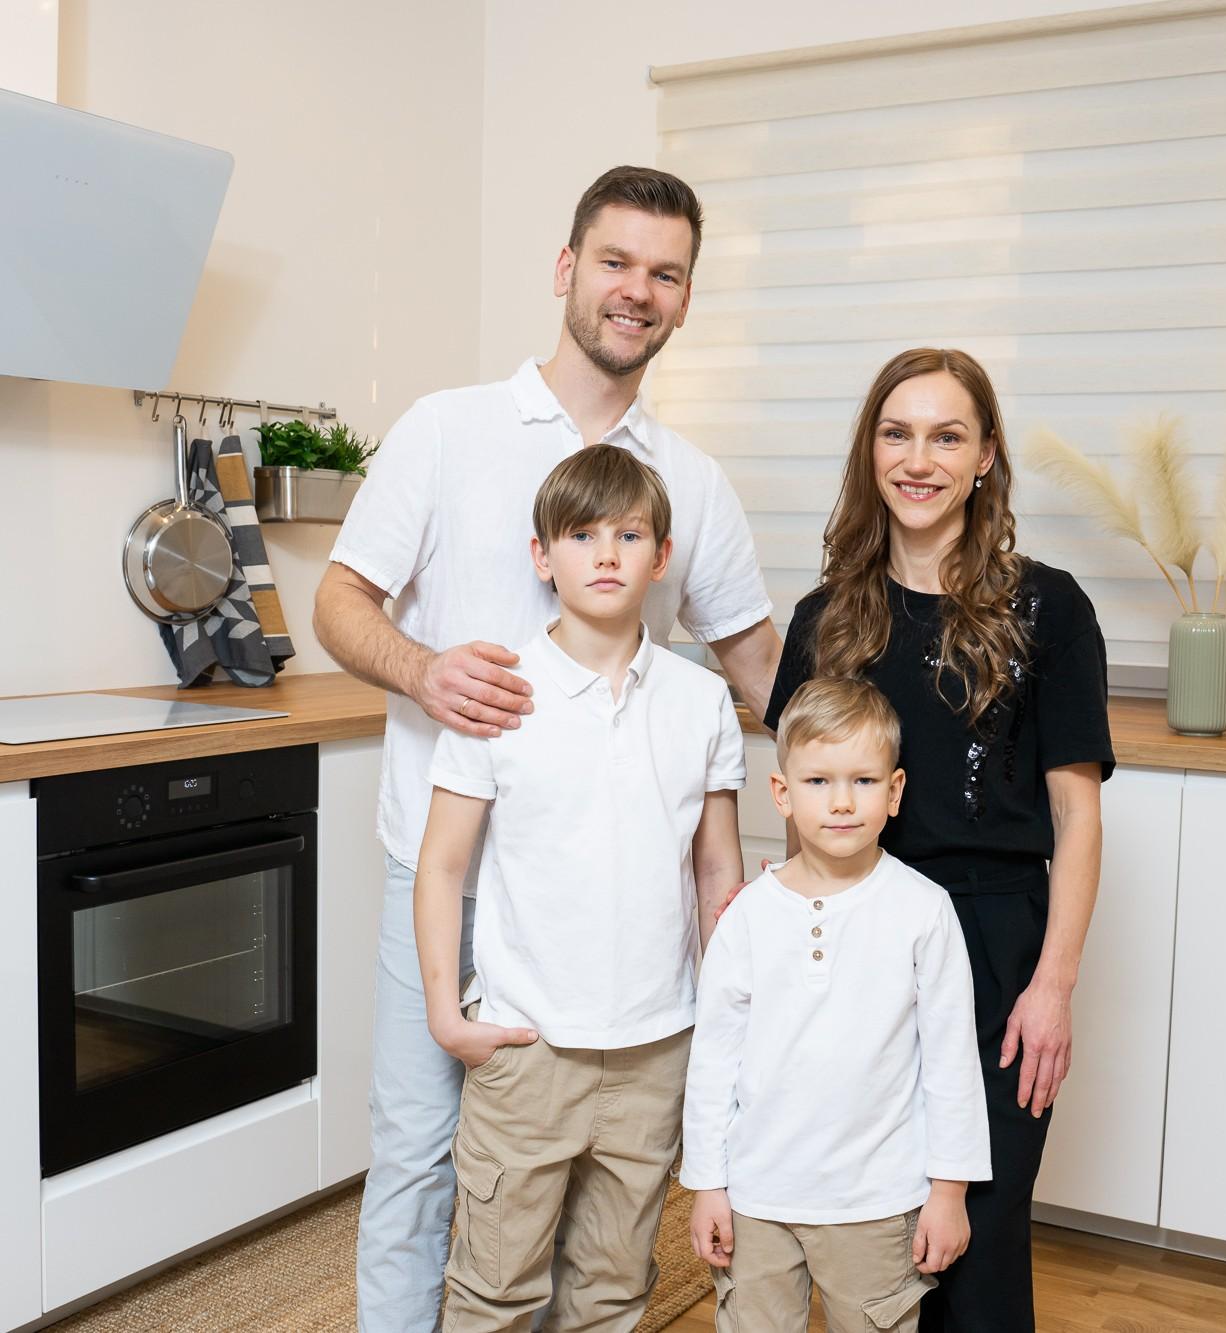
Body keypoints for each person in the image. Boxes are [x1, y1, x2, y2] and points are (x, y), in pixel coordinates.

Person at [312, 165, 782, 1333]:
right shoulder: (446, 428)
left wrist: (886, 754)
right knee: (420, 1155)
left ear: (684, 298)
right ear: (566, 270)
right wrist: (423, 670)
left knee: (604, 1198)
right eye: (616, 263)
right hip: (448, 870)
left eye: (665, 274)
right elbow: (338, 602)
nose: (638, 291)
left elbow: (763, 672)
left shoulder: (695, 485)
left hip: (609, 908)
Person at [763, 348, 1114, 1332]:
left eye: (947, 435)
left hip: (995, 946)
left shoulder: (1049, 608)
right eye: (897, 432)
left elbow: (1077, 814)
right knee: (873, 1233)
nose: (919, 458)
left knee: (982, 1231)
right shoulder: (823, 618)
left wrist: (1052, 987)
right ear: (870, 451)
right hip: (855, 938)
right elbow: (795, 793)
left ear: (984, 457)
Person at [417, 444, 746, 1330]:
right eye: (582, 533)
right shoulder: (499, 693)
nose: (606, 553)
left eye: (629, 533)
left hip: (656, 1049)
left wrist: (727, 1013)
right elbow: (442, 863)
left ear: (660, 555)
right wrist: (449, 1013)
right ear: (541, 555)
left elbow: (717, 868)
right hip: (529, 1049)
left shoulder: (700, 701)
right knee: (494, 1289)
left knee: (611, 1288)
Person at [683, 677, 991, 1333]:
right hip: (756, 1200)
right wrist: (707, 1183)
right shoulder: (745, 918)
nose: (842, 801)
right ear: (782, 794)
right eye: (818, 781)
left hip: (876, 1204)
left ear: (895, 790)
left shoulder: (922, 911)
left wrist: (949, 1192)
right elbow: (712, 1062)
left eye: (863, 780)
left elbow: (950, 1065)